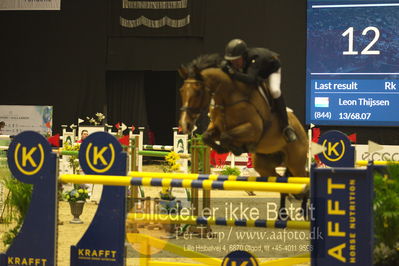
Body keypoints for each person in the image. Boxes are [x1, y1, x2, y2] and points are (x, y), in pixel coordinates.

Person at [220, 38, 297, 143]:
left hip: (271, 70)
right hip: (255, 73)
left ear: (244, 55)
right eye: (232, 61)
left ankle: (286, 127)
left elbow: (251, 80)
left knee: (274, 91)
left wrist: (232, 73)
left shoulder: (255, 59)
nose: (234, 64)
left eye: (237, 60)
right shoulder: (232, 62)